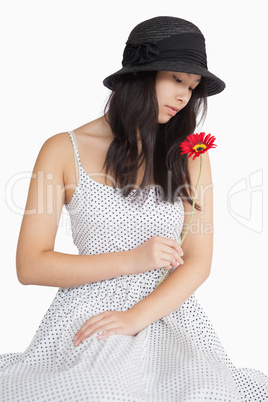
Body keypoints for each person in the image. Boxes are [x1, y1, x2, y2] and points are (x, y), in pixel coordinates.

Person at [0, 15, 267, 402]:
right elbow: (31, 265)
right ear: (141, 74)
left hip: (169, 315)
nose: (184, 97)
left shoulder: (190, 155)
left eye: (192, 87)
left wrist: (135, 318)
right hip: (89, 314)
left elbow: (198, 260)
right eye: (176, 79)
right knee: (100, 391)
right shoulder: (62, 150)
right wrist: (133, 259)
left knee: (207, 393)